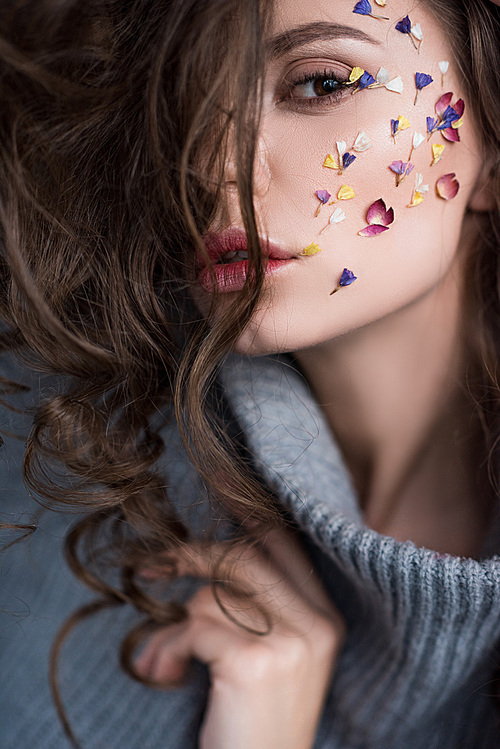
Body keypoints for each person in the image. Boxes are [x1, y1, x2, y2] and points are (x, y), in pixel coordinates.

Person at [1, 0, 500, 747]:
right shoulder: (57, 440)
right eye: (181, 102)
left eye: (322, 84)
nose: (207, 163)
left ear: (492, 152)